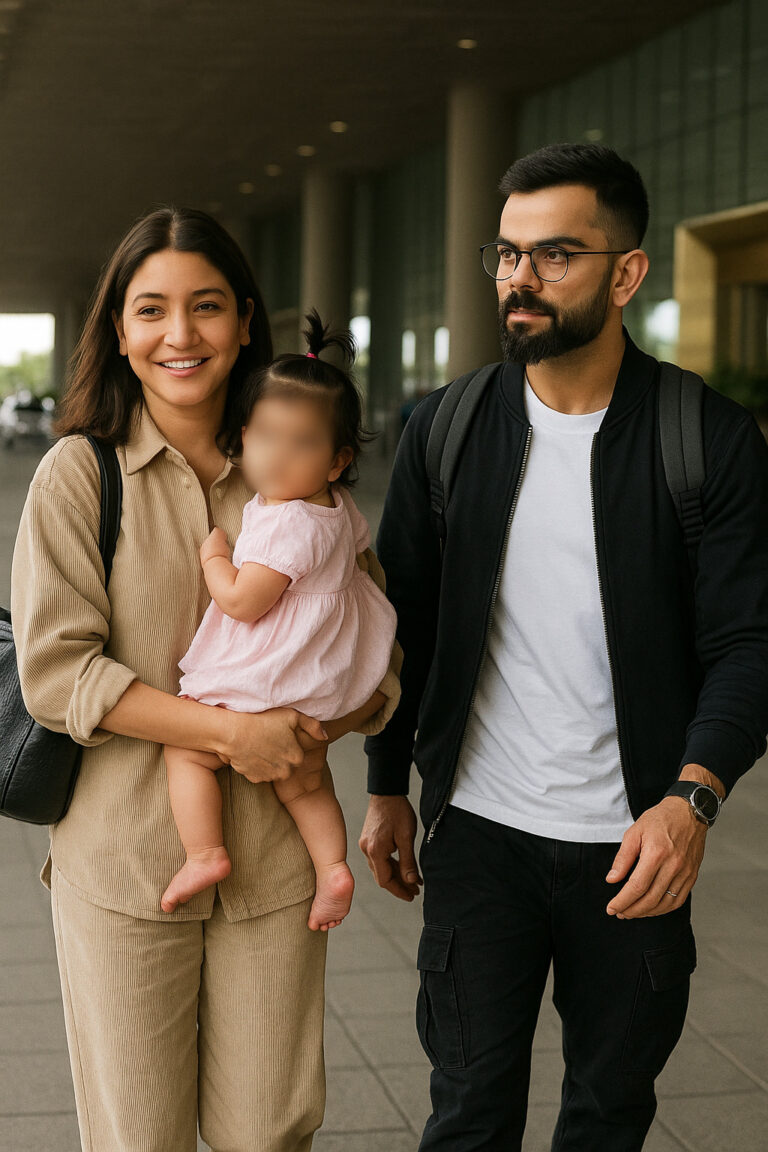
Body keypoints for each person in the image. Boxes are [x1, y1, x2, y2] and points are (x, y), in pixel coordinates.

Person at [359, 143, 768, 1151]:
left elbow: (750, 641)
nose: (520, 279)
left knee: (607, 1116)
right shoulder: (448, 429)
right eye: (507, 254)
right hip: (478, 835)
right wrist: (385, 784)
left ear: (626, 274)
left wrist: (692, 800)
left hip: (635, 845)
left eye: (554, 255)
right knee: (467, 1116)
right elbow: (402, 623)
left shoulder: (706, 439)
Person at [11, 207, 400, 1152]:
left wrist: (324, 722)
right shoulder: (78, 475)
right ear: (119, 330)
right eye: (151, 310)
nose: (179, 334)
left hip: (275, 869)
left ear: (245, 321)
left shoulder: (297, 465)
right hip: (124, 864)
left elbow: (378, 652)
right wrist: (232, 733)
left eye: (208, 306)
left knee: (269, 1132)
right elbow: (57, 673)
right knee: (138, 1138)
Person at [161, 311, 398, 931]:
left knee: (186, 748)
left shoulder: (288, 522)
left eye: (302, 443)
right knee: (305, 782)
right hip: (320, 674)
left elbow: (244, 602)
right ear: (244, 436)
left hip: (276, 674)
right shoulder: (335, 508)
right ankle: (333, 868)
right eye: (266, 435)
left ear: (337, 459)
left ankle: (204, 853)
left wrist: (215, 560)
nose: (278, 455)